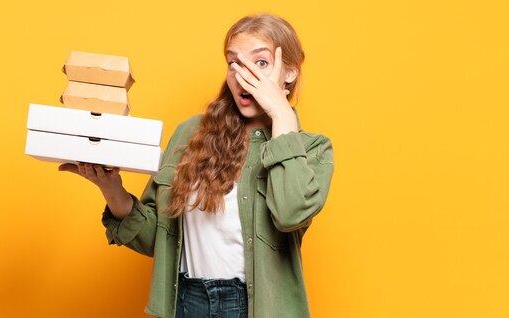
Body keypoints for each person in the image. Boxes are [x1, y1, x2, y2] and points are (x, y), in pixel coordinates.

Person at [59, 13, 334, 318]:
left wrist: (282, 116)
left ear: (290, 73)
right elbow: (157, 241)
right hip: (186, 303)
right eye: (234, 63)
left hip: (255, 309)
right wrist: (112, 189)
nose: (244, 76)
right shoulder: (191, 134)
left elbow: (289, 214)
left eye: (261, 63)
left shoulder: (311, 149)